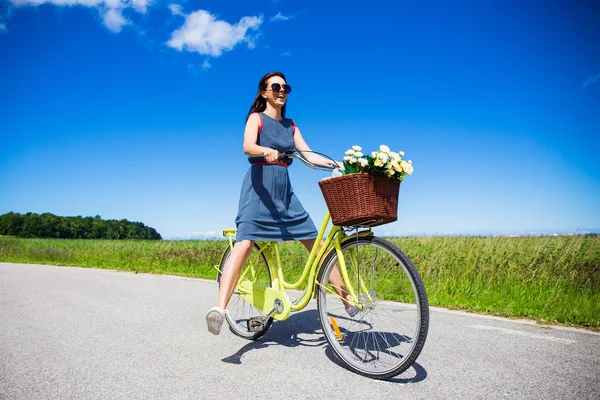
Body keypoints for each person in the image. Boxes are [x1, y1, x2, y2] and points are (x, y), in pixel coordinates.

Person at [206, 71, 355, 336]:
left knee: (316, 243)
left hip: (284, 192)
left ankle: (346, 298)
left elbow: (307, 153)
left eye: (285, 86)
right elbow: (247, 146)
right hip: (259, 188)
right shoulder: (256, 118)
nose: (281, 90)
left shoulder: (291, 125)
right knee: (245, 242)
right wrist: (265, 150)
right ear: (264, 92)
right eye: (275, 86)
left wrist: (335, 163)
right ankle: (220, 310)